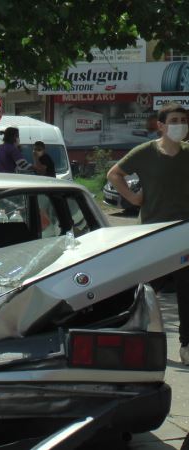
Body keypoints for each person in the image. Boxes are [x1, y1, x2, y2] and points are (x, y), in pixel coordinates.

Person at [107, 102, 189, 364]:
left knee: (187, 291)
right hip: (154, 234)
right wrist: (133, 197)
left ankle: (187, 346)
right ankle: (134, 342)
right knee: (144, 292)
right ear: (161, 126)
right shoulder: (145, 152)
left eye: (183, 120)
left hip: (184, 234)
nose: (180, 125)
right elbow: (114, 174)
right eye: (174, 120)